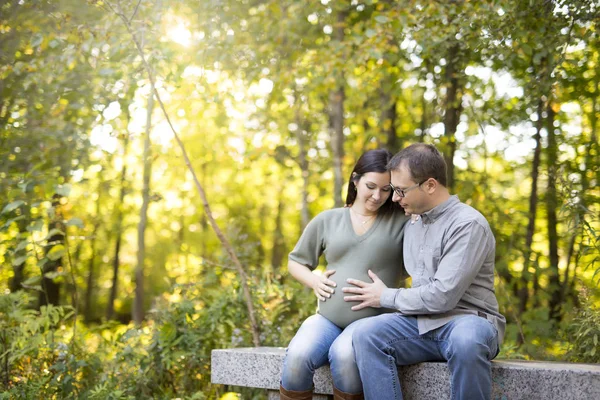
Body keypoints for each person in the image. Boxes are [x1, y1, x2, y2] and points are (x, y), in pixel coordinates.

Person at [343, 143, 506, 400]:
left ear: (430, 185)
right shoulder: (412, 223)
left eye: (400, 190)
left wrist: (386, 296)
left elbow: (443, 296)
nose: (395, 198)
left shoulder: (467, 224)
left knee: (466, 341)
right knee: (366, 334)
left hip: (467, 321)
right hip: (422, 324)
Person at [280, 149, 409, 400]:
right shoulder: (328, 219)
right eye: (371, 186)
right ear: (355, 180)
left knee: (344, 355)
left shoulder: (402, 222)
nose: (377, 195)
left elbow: (418, 266)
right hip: (326, 319)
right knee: (297, 357)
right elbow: (295, 262)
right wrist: (314, 280)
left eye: (386, 189)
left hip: (372, 323)